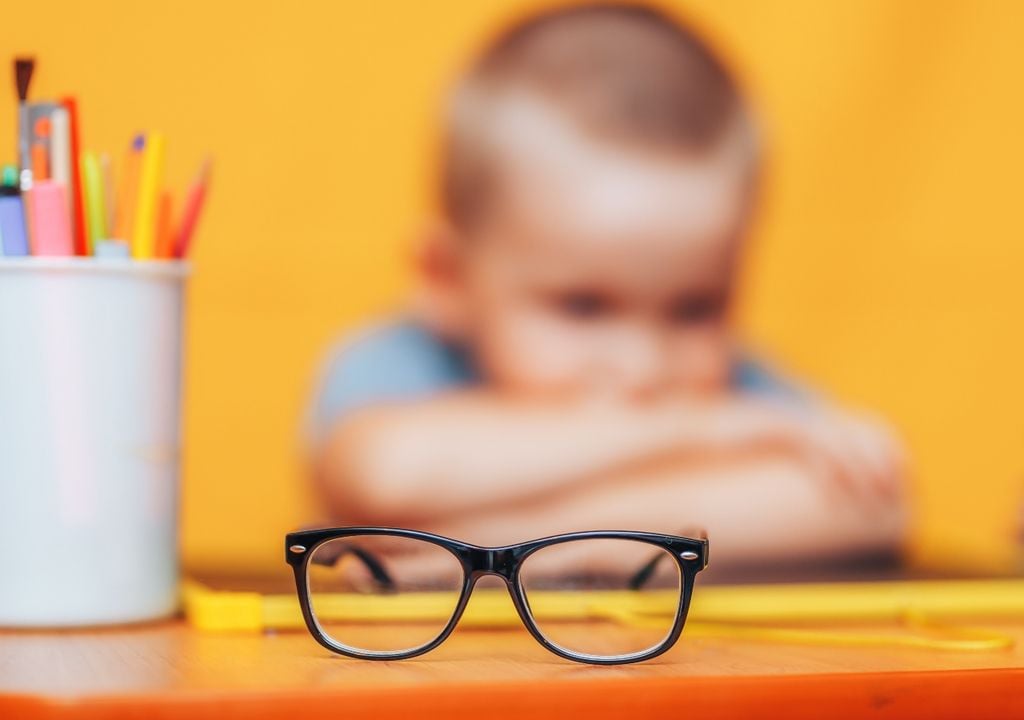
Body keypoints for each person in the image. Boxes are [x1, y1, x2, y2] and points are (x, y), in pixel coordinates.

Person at [306, 3, 907, 575]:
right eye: (583, 305)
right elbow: (385, 477)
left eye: (696, 308)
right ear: (448, 280)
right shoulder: (398, 364)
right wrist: (690, 431)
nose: (643, 367)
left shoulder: (739, 386)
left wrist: (527, 542)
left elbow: (872, 508)